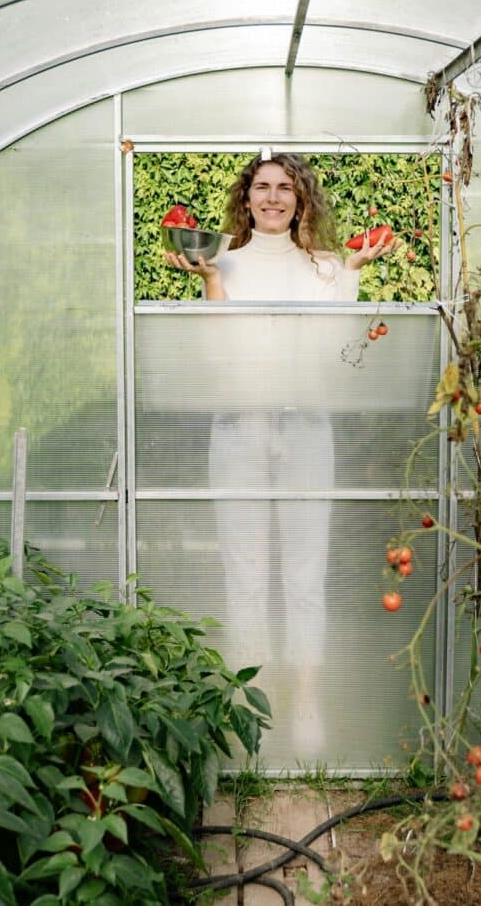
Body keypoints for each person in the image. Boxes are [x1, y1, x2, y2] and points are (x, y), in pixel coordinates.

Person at [163, 151, 396, 754]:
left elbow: (336, 350)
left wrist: (352, 271)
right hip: (238, 430)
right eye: (261, 187)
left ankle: (307, 704)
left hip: (305, 430)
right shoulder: (225, 265)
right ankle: (248, 705)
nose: (272, 198)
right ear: (246, 199)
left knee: (305, 571)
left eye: (284, 188)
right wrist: (211, 282)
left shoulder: (324, 268)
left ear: (300, 200)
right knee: (243, 572)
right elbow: (217, 360)